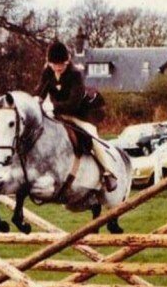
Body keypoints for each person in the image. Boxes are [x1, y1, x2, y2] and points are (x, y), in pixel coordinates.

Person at [34, 40, 117, 192]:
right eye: (55, 64)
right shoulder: (47, 72)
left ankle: (107, 172)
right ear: (49, 63)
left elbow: (74, 103)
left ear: (67, 62)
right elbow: (40, 92)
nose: (58, 68)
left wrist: (52, 106)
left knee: (92, 136)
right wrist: (35, 102)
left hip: (80, 113)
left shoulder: (75, 74)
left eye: (62, 64)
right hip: (57, 115)